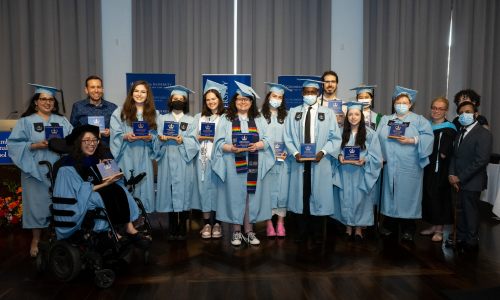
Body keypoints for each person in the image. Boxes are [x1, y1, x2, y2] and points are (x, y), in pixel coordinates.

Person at [52, 125, 149, 243]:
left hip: (96, 191)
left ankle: (129, 227)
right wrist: (105, 184)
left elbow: (105, 181)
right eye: (87, 140)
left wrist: (115, 174)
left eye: (94, 140)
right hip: (80, 199)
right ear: (78, 143)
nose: (92, 143)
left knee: (120, 189)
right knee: (100, 196)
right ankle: (109, 231)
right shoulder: (66, 167)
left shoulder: (95, 161)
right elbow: (80, 191)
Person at [7, 83, 73, 257]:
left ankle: (60, 236)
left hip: (59, 169)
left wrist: (62, 145)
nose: (47, 102)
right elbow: (14, 144)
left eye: (51, 99)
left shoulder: (62, 121)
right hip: (35, 167)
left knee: (60, 202)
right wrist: (35, 145)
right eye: (43, 99)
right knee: (37, 204)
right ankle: (36, 239)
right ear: (36, 102)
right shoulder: (26, 121)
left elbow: (73, 141)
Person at [212, 81, 275, 246]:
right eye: (239, 99)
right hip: (233, 165)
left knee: (250, 196)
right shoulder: (226, 119)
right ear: (234, 101)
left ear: (252, 102)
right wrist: (232, 148)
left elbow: (268, 140)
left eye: (247, 99)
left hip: (255, 163)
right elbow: (218, 144)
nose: (243, 102)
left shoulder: (259, 119)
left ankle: (249, 231)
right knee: (235, 196)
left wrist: (256, 145)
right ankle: (236, 232)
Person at [283, 79, 342, 244]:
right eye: (306, 92)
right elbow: (287, 136)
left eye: (312, 92)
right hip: (299, 162)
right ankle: (302, 231)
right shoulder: (293, 112)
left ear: (318, 93)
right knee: (302, 196)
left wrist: (322, 152)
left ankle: (317, 233)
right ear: (302, 93)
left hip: (320, 161)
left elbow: (334, 137)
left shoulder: (328, 113)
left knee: (318, 196)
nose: (309, 95)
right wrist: (295, 153)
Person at [377, 86, 434, 241]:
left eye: (404, 102)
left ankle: (408, 229)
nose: (401, 104)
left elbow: (429, 138)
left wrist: (411, 140)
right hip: (389, 165)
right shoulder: (385, 120)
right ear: (394, 104)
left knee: (408, 196)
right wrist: (379, 156)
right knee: (390, 194)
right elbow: (376, 140)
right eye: (398, 102)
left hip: (410, 166)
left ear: (410, 105)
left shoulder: (418, 120)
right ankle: (389, 227)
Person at [332, 101, 382, 244]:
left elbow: (376, 155)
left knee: (361, 200)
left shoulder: (370, 133)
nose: (353, 117)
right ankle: (348, 228)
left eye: (356, 114)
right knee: (345, 199)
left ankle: (359, 230)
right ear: (347, 116)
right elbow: (335, 150)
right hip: (344, 172)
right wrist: (339, 157)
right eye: (350, 114)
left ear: (362, 116)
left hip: (361, 173)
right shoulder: (340, 132)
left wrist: (364, 160)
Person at [447, 101, 493, 253]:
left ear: (476, 114)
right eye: (461, 113)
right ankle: (461, 238)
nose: (464, 115)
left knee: (470, 212)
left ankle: (472, 242)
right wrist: (452, 175)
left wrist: (460, 177)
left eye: (468, 112)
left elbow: (481, 161)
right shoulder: (460, 132)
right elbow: (455, 156)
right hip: (457, 180)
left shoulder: (484, 134)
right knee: (458, 210)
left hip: (472, 181)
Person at [183, 80, 226, 239]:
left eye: (213, 98)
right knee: (203, 192)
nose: (211, 102)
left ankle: (218, 225)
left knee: (218, 193)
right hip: (203, 162)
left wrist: (218, 138)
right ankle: (207, 223)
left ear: (219, 99)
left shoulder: (226, 118)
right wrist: (198, 138)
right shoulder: (198, 118)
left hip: (219, 161)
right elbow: (189, 138)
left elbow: (230, 139)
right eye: (208, 99)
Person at [110, 81, 159, 214]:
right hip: (126, 154)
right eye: (136, 91)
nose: (139, 94)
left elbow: (157, 136)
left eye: (143, 92)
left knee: (143, 187)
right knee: (127, 187)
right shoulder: (120, 112)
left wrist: (150, 138)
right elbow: (114, 132)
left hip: (144, 155)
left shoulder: (154, 114)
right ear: (131, 94)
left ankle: (142, 223)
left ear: (147, 95)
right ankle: (129, 225)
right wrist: (126, 136)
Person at [156, 85, 195, 241]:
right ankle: (172, 224)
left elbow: (194, 142)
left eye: (181, 99)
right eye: (175, 99)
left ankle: (183, 224)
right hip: (167, 158)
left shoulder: (191, 120)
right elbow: (155, 138)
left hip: (184, 160)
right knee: (169, 190)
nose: (178, 101)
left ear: (185, 102)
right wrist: (160, 139)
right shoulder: (162, 119)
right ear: (170, 101)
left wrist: (183, 140)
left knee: (185, 191)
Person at [420, 96, 457, 242]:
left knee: (439, 196)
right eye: (434, 108)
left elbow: (444, 153)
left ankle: (440, 230)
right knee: (429, 195)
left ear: (446, 111)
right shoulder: (426, 125)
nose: (437, 111)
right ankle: (433, 226)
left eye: (440, 108)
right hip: (427, 166)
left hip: (440, 169)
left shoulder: (449, 129)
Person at [260, 82, 291, 237]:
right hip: (266, 160)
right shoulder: (259, 115)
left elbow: (292, 137)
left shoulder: (287, 116)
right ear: (268, 97)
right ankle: (268, 223)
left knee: (282, 191)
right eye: (274, 96)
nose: (276, 99)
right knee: (267, 191)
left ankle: (280, 223)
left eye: (280, 97)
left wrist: (287, 152)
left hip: (283, 160)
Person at [69, 76, 117, 157]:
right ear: (86, 90)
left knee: (108, 170)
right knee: (87, 170)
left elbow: (119, 129)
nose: (96, 90)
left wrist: (111, 131)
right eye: (92, 87)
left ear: (102, 89)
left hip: (106, 150)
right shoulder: (78, 106)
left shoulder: (112, 107)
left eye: (99, 87)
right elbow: (72, 129)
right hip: (84, 150)